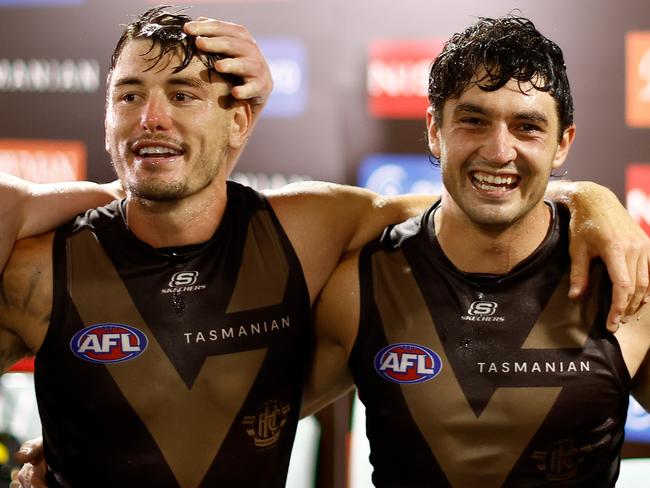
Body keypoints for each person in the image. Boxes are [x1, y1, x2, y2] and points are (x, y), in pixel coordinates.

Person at [5, 7, 650, 488]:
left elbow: (481, 204)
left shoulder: (623, 283)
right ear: (435, 130)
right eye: (130, 97)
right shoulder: (38, 264)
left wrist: (592, 199)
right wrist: (71, 448)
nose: (153, 118)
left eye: (182, 95)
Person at [304, 15, 650, 487]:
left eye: (527, 127)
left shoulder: (624, 285)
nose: (498, 150)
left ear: (562, 143)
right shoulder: (360, 286)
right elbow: (247, 419)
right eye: (473, 120)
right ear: (434, 129)